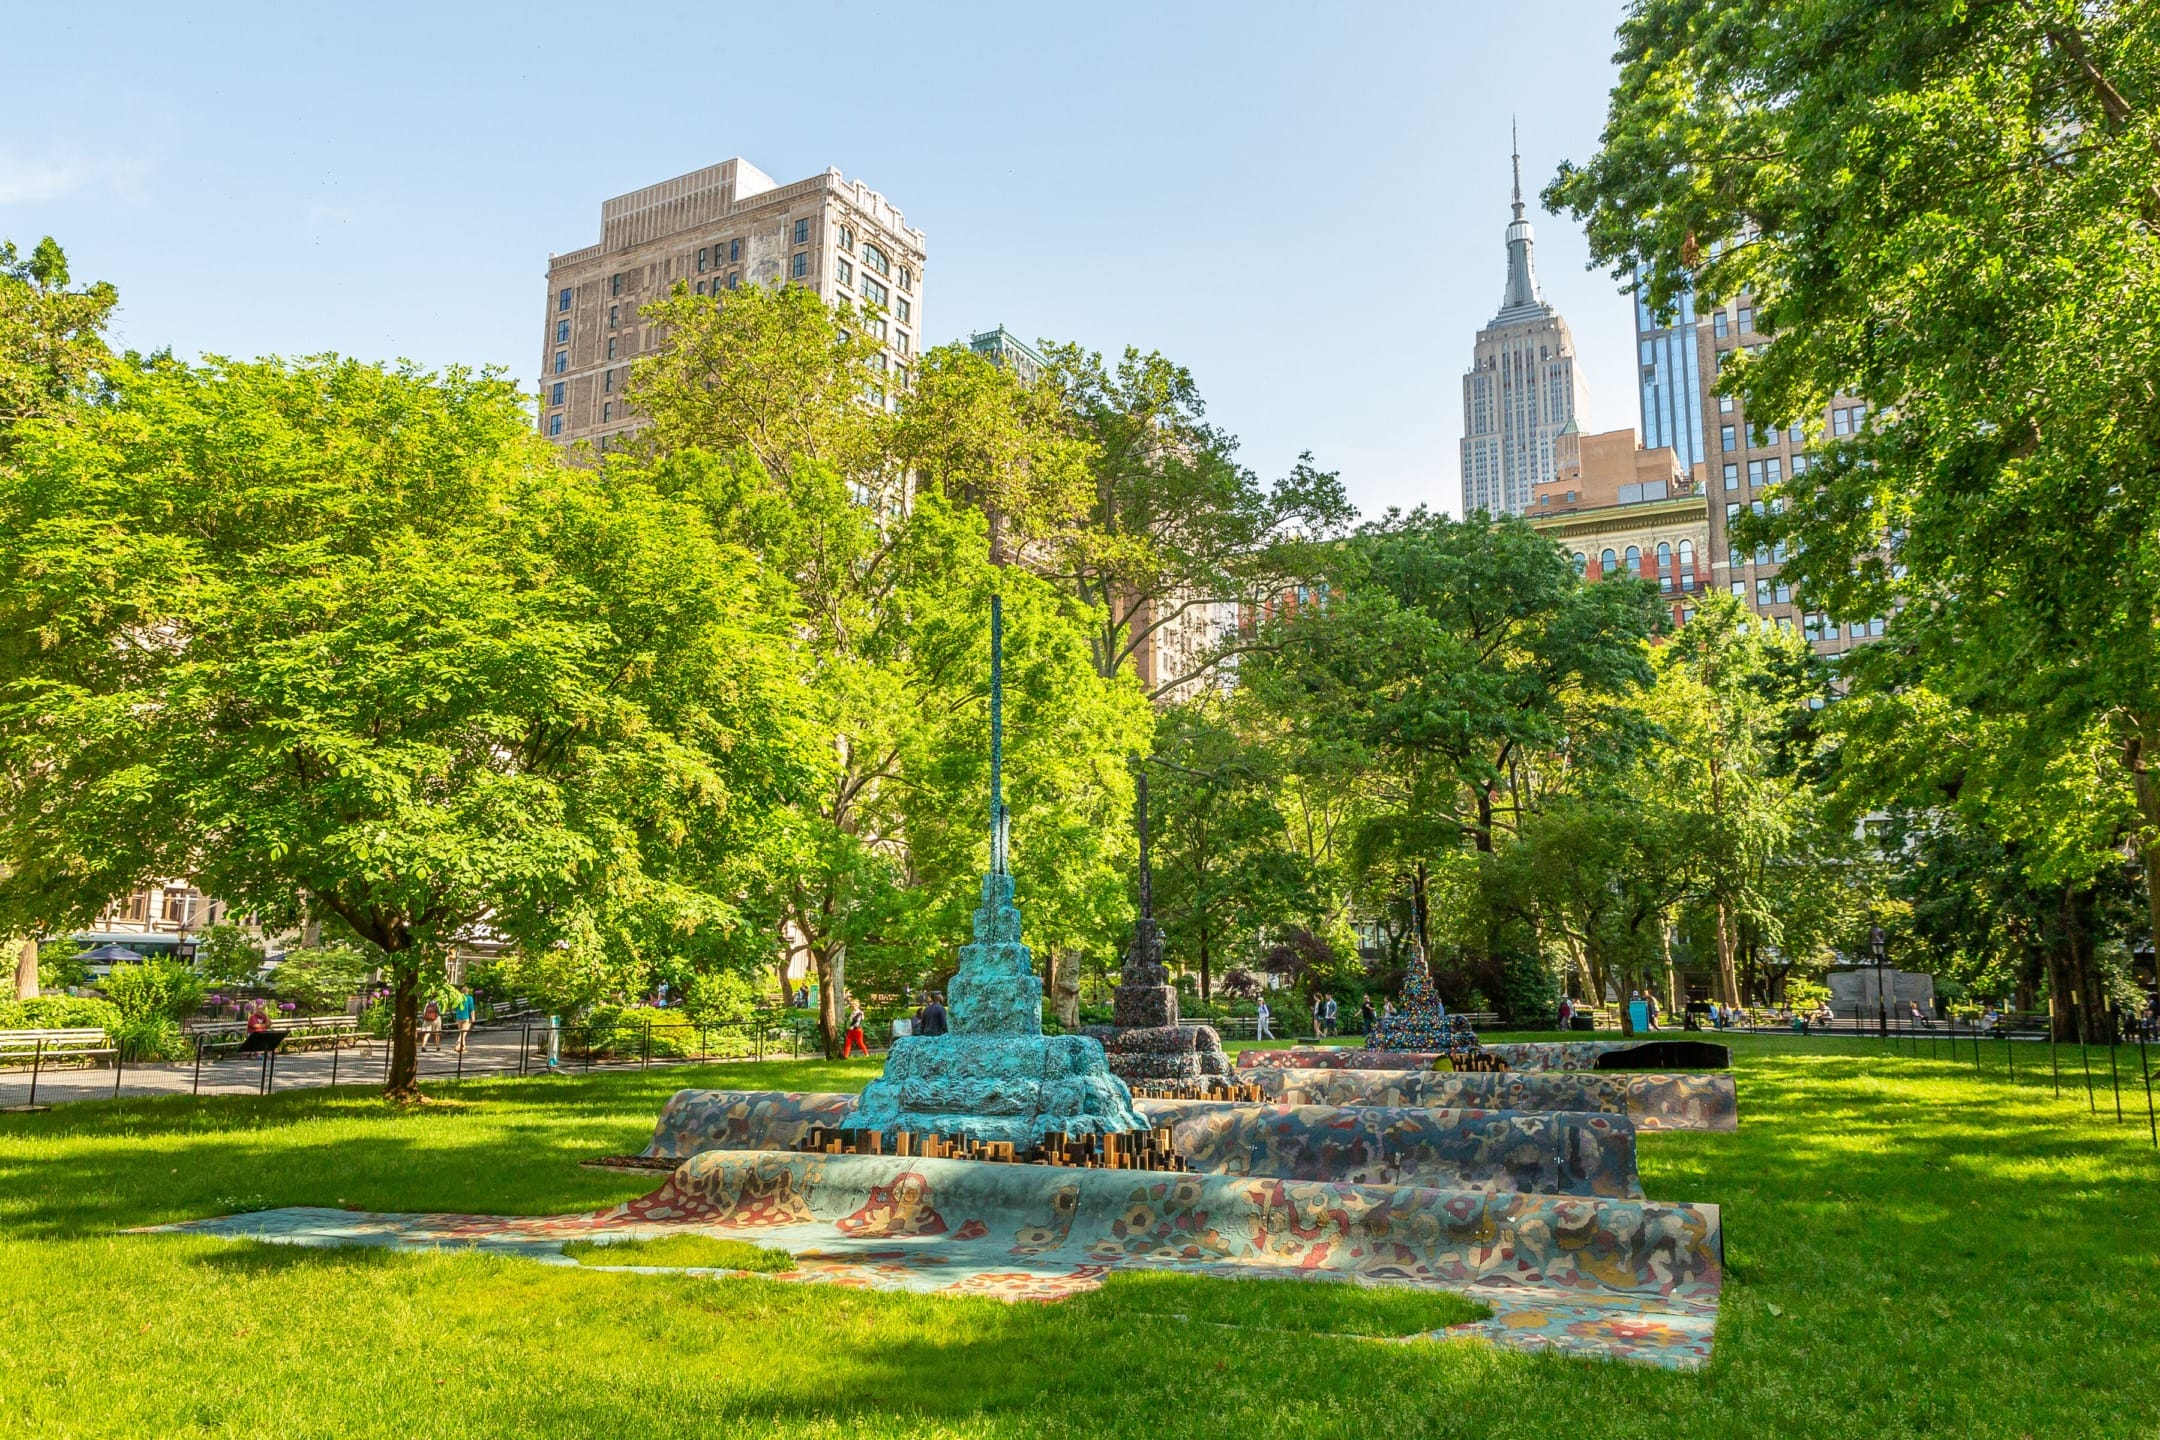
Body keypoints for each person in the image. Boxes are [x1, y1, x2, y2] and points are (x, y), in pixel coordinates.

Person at [452, 987, 476, 1053]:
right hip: (466, 1017)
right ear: (467, 991)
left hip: (459, 1017)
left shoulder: (458, 998)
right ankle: (458, 1042)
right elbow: (471, 1008)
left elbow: (455, 1007)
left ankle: (463, 1047)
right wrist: (473, 1017)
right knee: (464, 1033)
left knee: (461, 1031)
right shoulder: (469, 998)